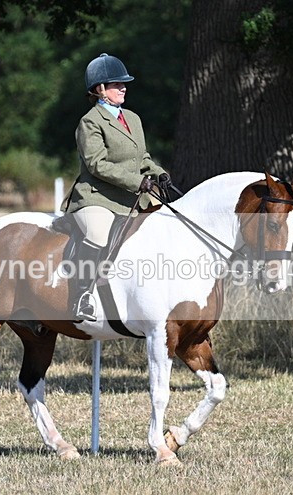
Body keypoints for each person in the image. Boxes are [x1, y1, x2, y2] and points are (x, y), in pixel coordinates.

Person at [64, 53, 170, 321]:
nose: (123, 88)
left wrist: (159, 174)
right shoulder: (90, 121)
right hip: (97, 197)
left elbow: (142, 158)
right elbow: (96, 164)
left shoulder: (132, 118)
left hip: (131, 198)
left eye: (124, 84)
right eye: (116, 84)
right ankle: (81, 297)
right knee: (98, 234)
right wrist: (137, 181)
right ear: (99, 89)